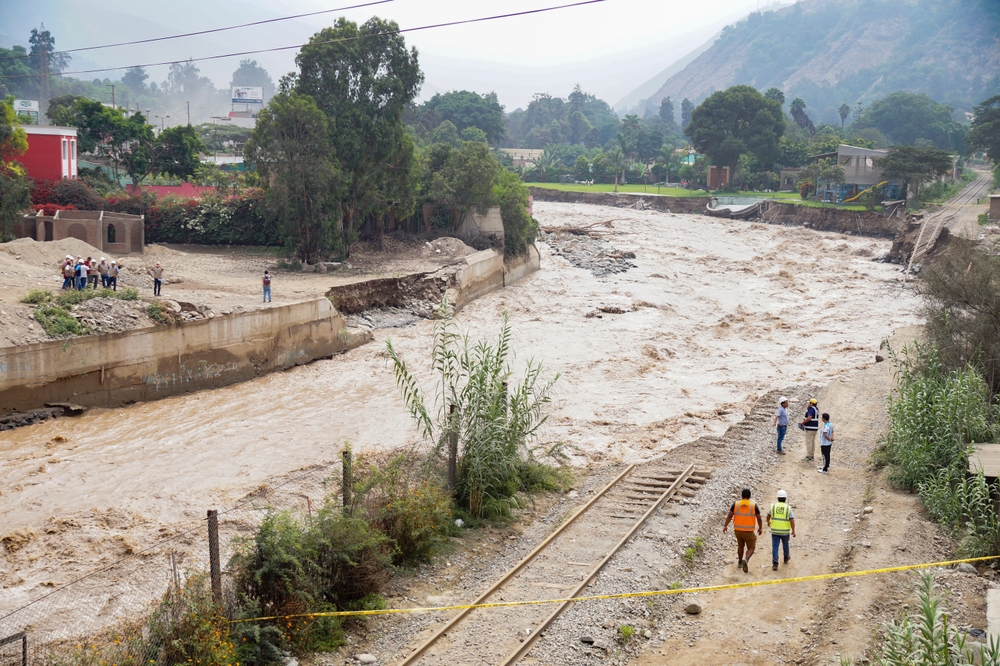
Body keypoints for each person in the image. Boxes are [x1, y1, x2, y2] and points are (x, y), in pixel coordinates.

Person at [723, 488, 763, 573]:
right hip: (748, 531)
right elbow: (759, 518)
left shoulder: (736, 504)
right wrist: (760, 528)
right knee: (751, 547)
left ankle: (740, 562)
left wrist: (725, 526)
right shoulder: (753, 505)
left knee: (740, 546)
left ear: (741, 496)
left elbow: (729, 516)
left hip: (737, 530)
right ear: (750, 496)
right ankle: (746, 559)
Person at [767, 490, 796, 571]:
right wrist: (793, 530)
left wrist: (768, 522)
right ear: (785, 498)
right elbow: (792, 520)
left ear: (777, 498)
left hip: (775, 531)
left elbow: (768, 516)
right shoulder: (788, 508)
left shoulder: (773, 506)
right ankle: (786, 558)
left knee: (775, 546)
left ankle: (775, 563)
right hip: (785, 531)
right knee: (785, 544)